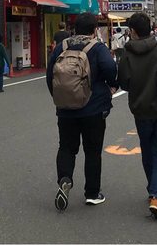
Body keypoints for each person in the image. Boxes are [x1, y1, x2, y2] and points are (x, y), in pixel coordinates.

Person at [46, 13, 118, 211]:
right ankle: (92, 193)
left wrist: (60, 98)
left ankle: (65, 179)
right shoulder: (97, 48)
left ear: (74, 28)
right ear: (94, 29)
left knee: (66, 147)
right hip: (93, 108)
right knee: (92, 151)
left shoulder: (62, 47)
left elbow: (50, 74)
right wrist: (112, 86)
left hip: (65, 109)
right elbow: (111, 70)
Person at [118, 12, 157, 221]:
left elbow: (124, 82)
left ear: (133, 31)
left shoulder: (127, 54)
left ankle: (153, 189)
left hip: (140, 109)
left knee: (147, 149)